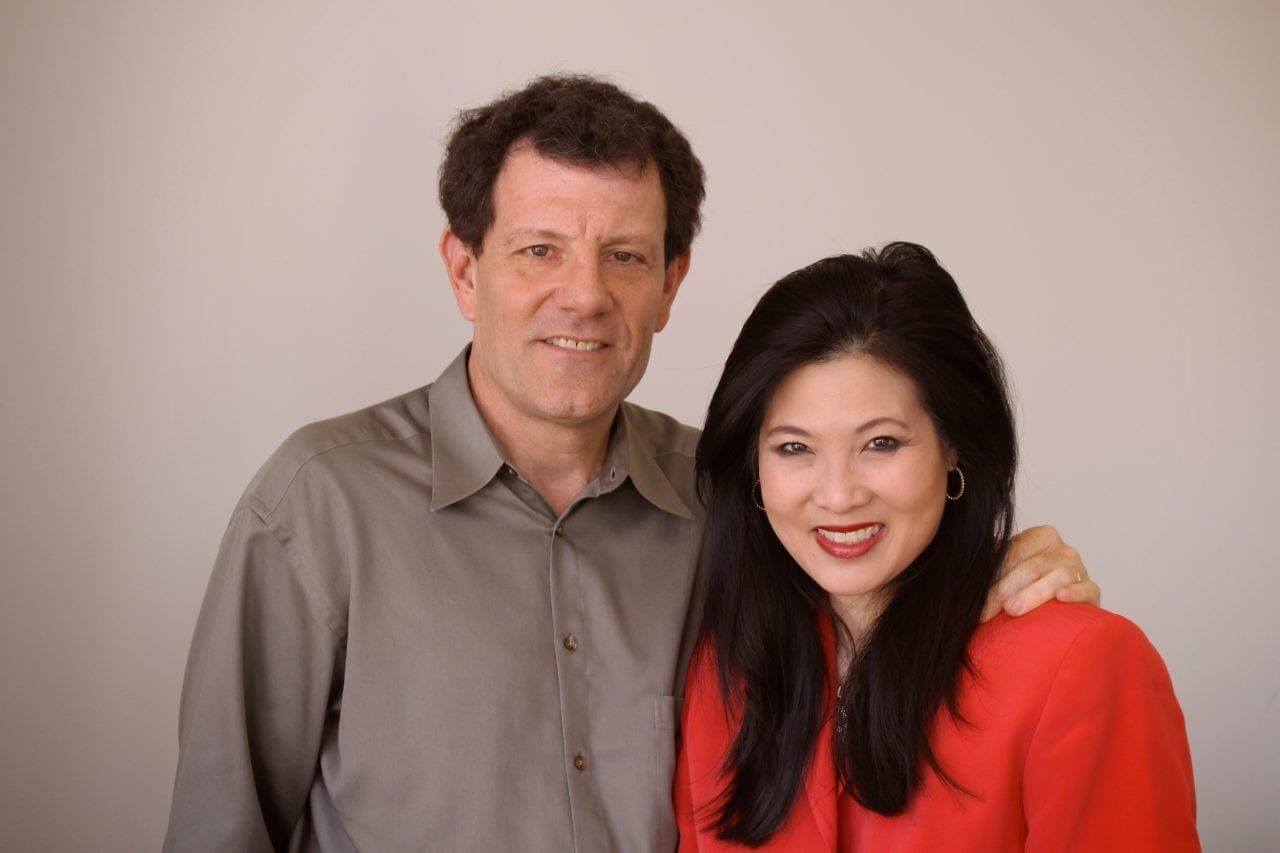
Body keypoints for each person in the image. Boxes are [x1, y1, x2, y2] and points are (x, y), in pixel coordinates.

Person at [164, 77, 1098, 851]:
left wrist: (999, 562)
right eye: (539, 250)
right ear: (463, 269)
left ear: (669, 284)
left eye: (624, 255)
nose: (585, 295)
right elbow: (222, 830)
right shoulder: (317, 503)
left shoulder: (735, 495)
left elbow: (865, 601)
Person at [674, 243, 1198, 851]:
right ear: (753, 468)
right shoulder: (727, 671)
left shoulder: (1084, 665)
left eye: (882, 443)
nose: (839, 495)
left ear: (953, 446)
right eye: (794, 448)